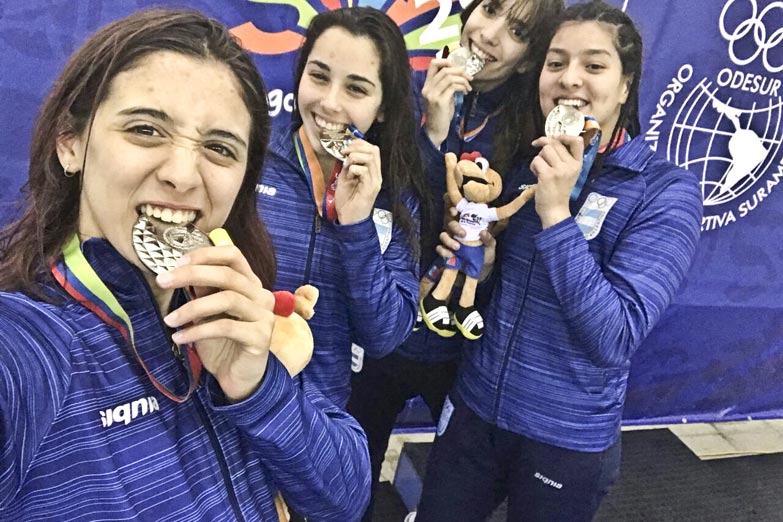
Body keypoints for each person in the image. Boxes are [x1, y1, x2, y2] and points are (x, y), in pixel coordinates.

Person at [0, 9, 369, 522]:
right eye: (146, 129)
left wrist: (258, 388)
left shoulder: (233, 309)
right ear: (71, 142)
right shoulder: (29, 344)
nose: (182, 174)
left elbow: (347, 497)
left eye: (219, 148)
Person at [414, 1, 703, 521]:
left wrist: (555, 213)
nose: (570, 79)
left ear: (626, 84)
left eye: (593, 65)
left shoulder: (665, 191)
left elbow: (614, 336)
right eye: (556, 63)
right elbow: (500, 293)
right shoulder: (524, 162)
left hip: (565, 438)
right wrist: (486, 263)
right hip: (476, 409)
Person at [345, 0, 563, 520]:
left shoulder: (531, 131)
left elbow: (518, 244)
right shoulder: (403, 92)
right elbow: (381, 210)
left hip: (460, 349)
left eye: (517, 32)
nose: (489, 35)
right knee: (350, 484)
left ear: (530, 60)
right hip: (383, 330)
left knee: (450, 497)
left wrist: (484, 266)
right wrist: (432, 133)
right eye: (490, 9)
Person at [257, 7, 431, 411]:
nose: (330, 103)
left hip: (322, 414)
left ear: (382, 106)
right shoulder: (251, 161)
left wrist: (357, 226)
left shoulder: (394, 192)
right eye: (319, 76)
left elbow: (384, 336)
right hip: (229, 399)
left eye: (356, 88)